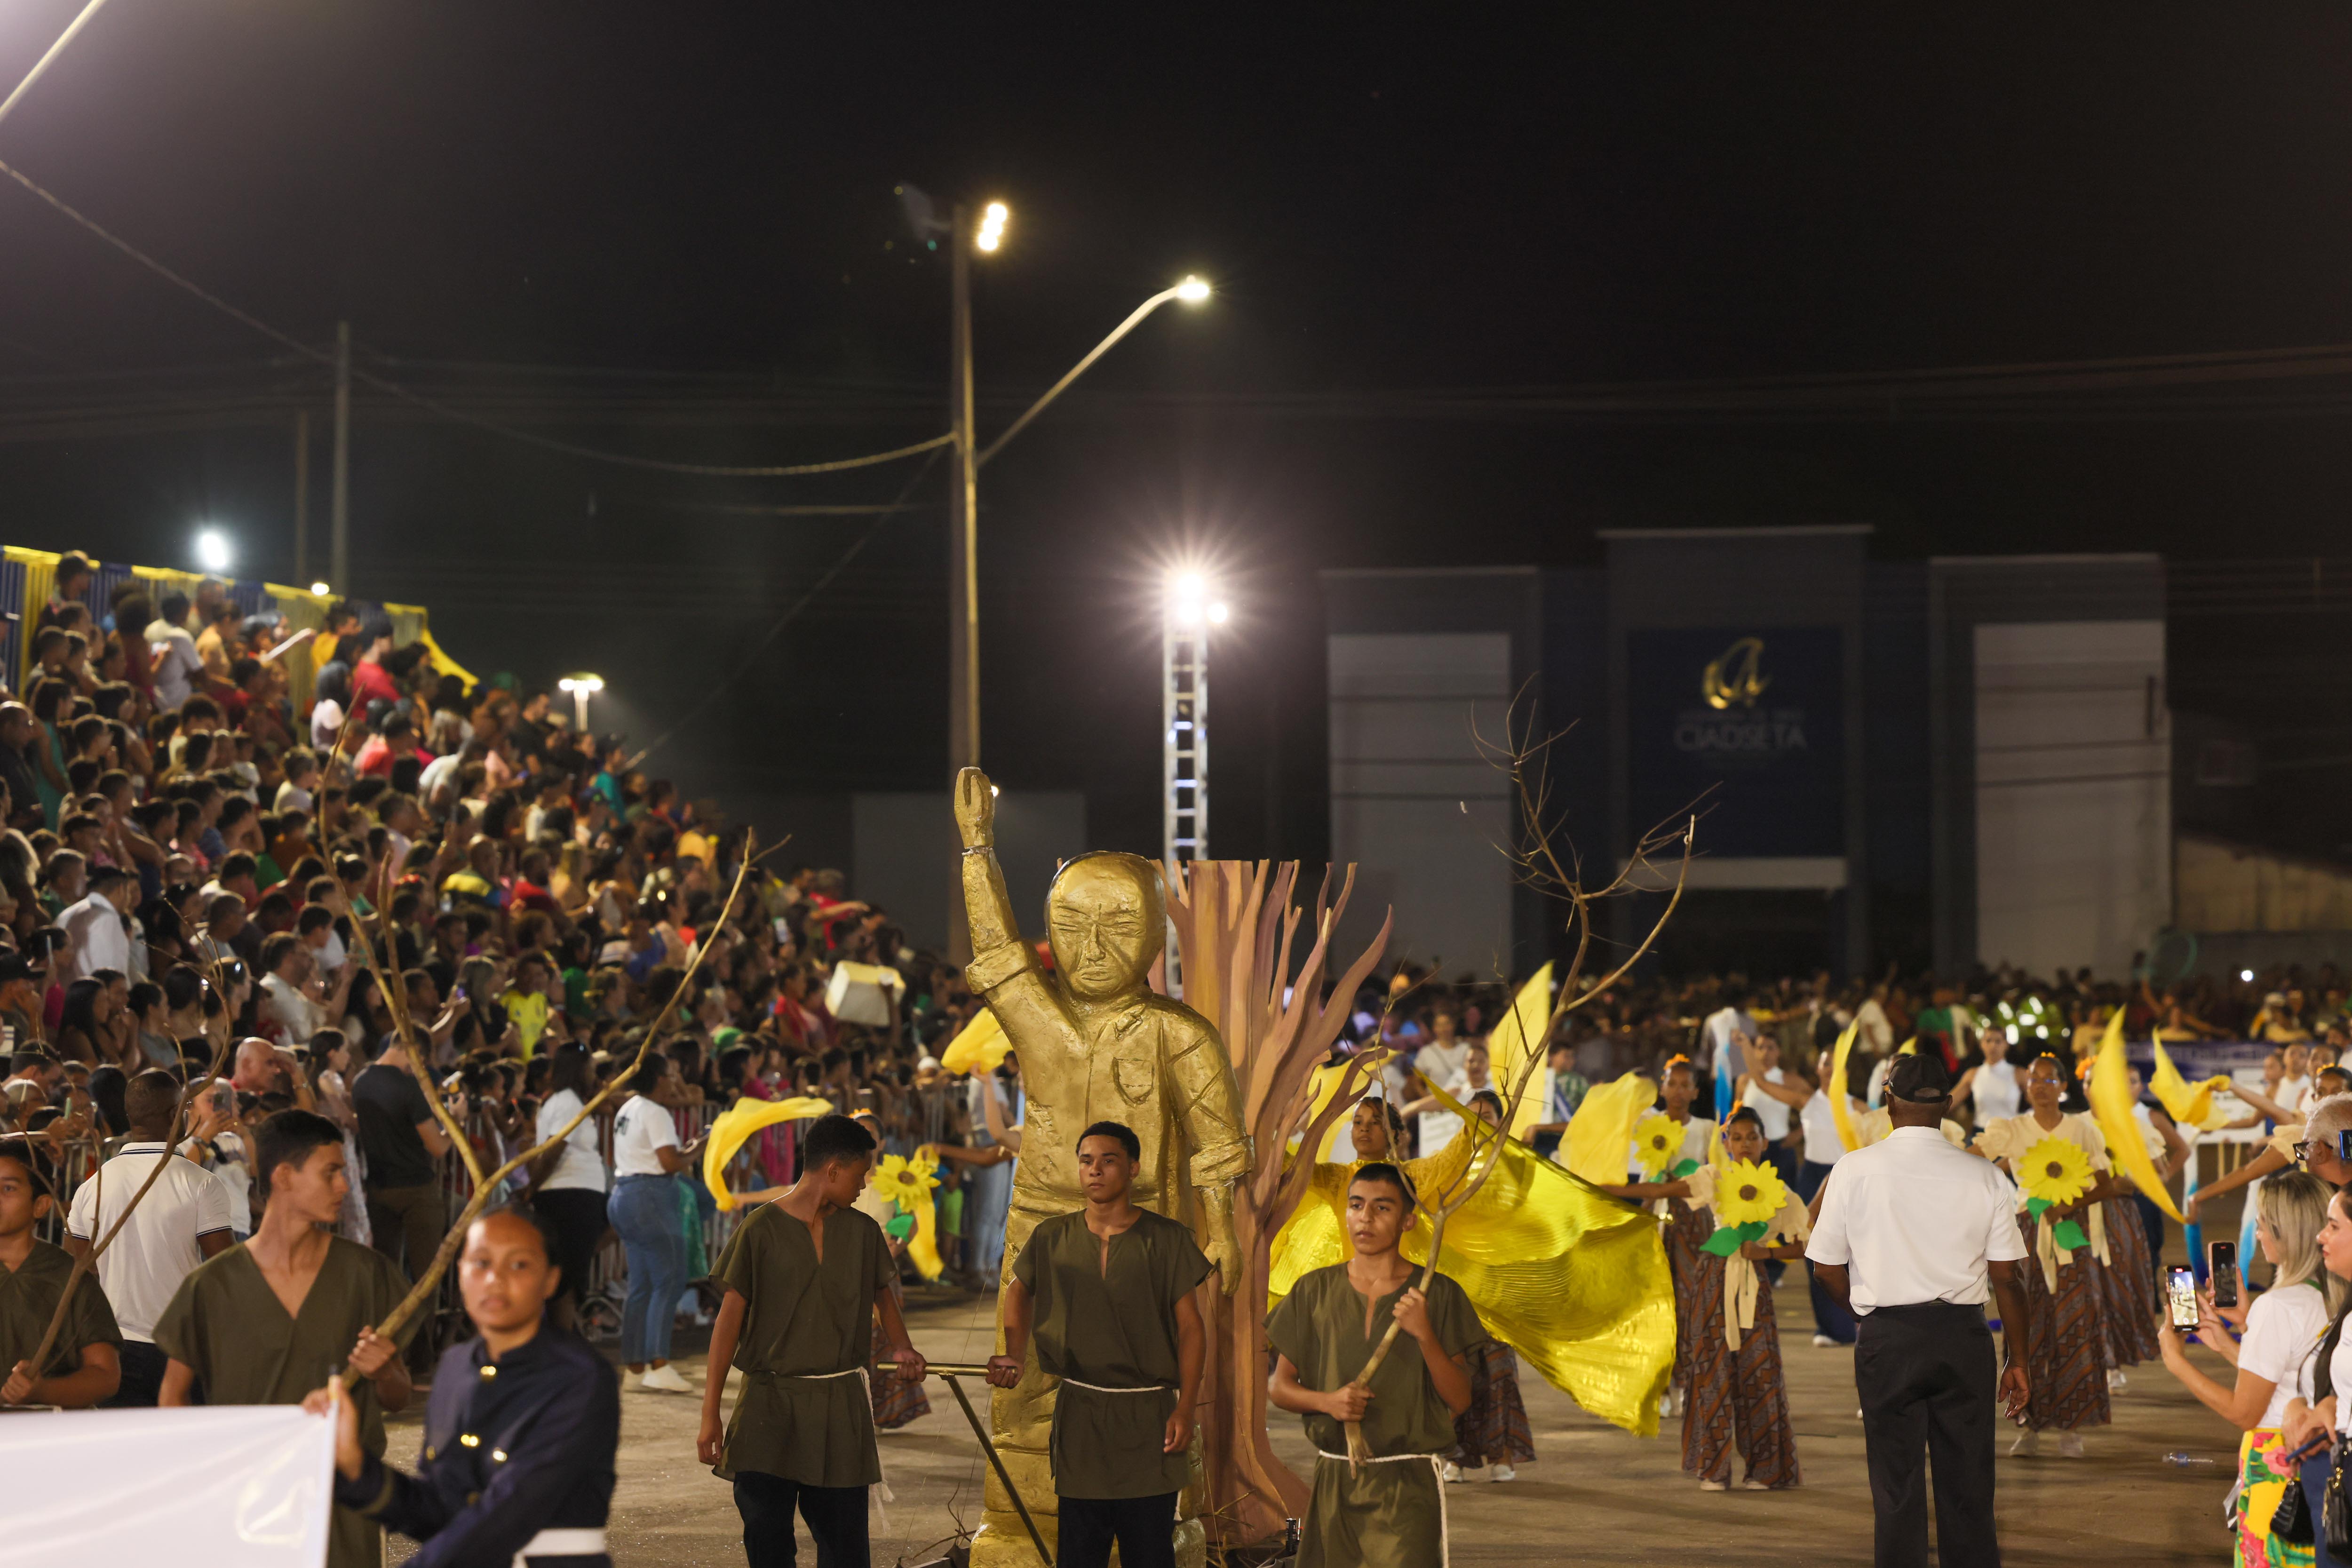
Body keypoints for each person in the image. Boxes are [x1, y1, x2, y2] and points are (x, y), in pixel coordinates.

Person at [156, 1109, 413, 1568]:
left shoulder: (367, 1274)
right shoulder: (211, 1285)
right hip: (246, 1503)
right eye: (331, 1172)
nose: (343, 1186)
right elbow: (172, 1396)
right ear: (283, 1176)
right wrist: (202, 1480)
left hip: (342, 1502)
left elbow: (398, 1398)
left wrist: (385, 1371)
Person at [303, 1204, 622, 1568]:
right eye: (481, 1263)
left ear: (550, 1279)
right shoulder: (456, 1366)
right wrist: (355, 1464)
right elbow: (441, 1511)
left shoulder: (579, 1377)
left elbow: (508, 1514)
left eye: (519, 1264)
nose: (495, 1279)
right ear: (461, 1273)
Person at [1808, 1052, 2031, 1568]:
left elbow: (1824, 1268)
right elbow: (2007, 1279)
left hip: (1887, 1338)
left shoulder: (1853, 1169)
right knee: (1969, 1484)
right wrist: (2017, 1359)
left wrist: (1865, 1317)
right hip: (1962, 1337)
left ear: (1888, 1101)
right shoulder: (1984, 1176)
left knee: (1895, 1486)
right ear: (1948, 1105)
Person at [696, 1113, 924, 1568]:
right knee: (767, 1538)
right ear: (833, 1170)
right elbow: (727, 1324)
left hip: (840, 1407)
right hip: (768, 1406)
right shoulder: (760, 1228)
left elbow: (882, 1293)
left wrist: (902, 1345)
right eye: (860, 1174)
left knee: (845, 1545)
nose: (864, 1184)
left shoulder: (862, 1231)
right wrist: (710, 1414)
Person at [988, 1119, 1210, 1568]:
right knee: (1079, 1550)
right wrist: (1014, 1351)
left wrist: (1186, 1408)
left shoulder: (1167, 1238)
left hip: (1149, 1414)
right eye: (1086, 1160)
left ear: (1133, 1168)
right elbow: (1018, 1290)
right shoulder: (1053, 1235)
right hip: (1082, 1414)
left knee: (1149, 1550)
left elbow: (1192, 1328)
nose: (1095, 1169)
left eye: (1108, 1160)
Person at [1267, 1163, 1479, 1568]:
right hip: (1334, 1482)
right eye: (1356, 1205)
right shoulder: (1314, 1290)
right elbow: (1279, 1387)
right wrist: (1328, 1402)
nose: (1365, 1217)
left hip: (1407, 1486)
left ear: (1407, 1220)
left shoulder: (1437, 1293)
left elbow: (1461, 1398)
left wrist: (1425, 1334)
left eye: (1382, 1208)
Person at [2158, 1169, 2330, 1568]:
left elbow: (2245, 1411)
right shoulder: (2324, 1294)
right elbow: (2289, 1376)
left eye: (2262, 1224)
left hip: (2278, 1458)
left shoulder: (2277, 1305)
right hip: (2316, 1453)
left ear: (2285, 1234)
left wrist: (2176, 1362)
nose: (2258, 1233)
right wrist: (2233, 1337)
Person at [1973, 1053, 2135, 1455]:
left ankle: (2071, 1425)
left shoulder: (2081, 1129)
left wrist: (2069, 1205)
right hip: (2025, 1234)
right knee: (2024, 1323)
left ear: (2064, 1086)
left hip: (2069, 1234)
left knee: (2073, 1320)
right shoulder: (2014, 1128)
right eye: (2034, 1079)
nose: (2041, 1087)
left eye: (2049, 1080)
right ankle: (2027, 1424)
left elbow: (2107, 1182)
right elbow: (1975, 1157)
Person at [62, 1069, 236, 1404]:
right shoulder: (200, 1182)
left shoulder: (92, 1186)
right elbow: (225, 1268)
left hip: (114, 1345)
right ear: (174, 1115)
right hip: (180, 1346)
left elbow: (76, 1267)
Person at [1670, 1106, 1808, 1490]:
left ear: (1765, 1142)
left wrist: (1766, 1252)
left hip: (1752, 1286)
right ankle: (1713, 1468)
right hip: (1712, 1280)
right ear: (1726, 1143)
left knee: (1758, 1371)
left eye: (1752, 1137)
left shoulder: (1780, 1192)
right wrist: (1604, 1190)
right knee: (1711, 1369)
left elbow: (1804, 1245)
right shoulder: (1714, 1178)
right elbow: (1659, 1191)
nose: (1745, 1144)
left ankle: (1766, 1469)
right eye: (1737, 1137)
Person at [1597, 1054, 1716, 1417]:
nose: (1678, 1091)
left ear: (1695, 1091)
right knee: (1655, 1303)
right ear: (1661, 1088)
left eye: (1685, 1085)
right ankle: (1659, 1385)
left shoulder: (1707, 1129)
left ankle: (1687, 1382)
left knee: (1690, 1302)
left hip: (1692, 1225)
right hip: (1653, 1219)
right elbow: (1600, 1128)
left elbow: (1706, 1181)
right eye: (1672, 1083)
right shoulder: (1645, 1124)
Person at [351, 1027, 456, 1375]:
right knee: (426, 1278)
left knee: (385, 1277)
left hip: (379, 1189)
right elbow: (438, 1146)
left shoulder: (361, 1082)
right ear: (414, 1051)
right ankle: (421, 1357)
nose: (420, 1067)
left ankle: (385, 1354)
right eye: (422, 1060)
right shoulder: (408, 1086)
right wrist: (456, 1119)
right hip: (417, 1189)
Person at [0, 1136, 121, 1408]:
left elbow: (105, 1375)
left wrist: (42, 1391)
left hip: (49, 1428)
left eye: (8, 1189)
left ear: (41, 1205)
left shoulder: (69, 1277)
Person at [607, 1056, 703, 1392]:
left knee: (643, 1284)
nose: (675, 1081)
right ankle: (658, 1362)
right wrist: (698, 1148)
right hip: (650, 1198)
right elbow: (669, 1163)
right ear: (659, 1078)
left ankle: (635, 1364)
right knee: (670, 1279)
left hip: (624, 1194)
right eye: (672, 1075)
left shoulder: (628, 1108)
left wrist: (686, 1151)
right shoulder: (655, 1111)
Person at [527, 1043, 608, 1332]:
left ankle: (564, 1339)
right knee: (565, 1274)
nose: (593, 1075)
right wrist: (532, 1188)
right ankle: (556, 1339)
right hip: (569, 1195)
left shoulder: (568, 1101)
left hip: (575, 1192)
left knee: (567, 1274)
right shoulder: (566, 1102)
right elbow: (553, 1151)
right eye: (590, 1069)